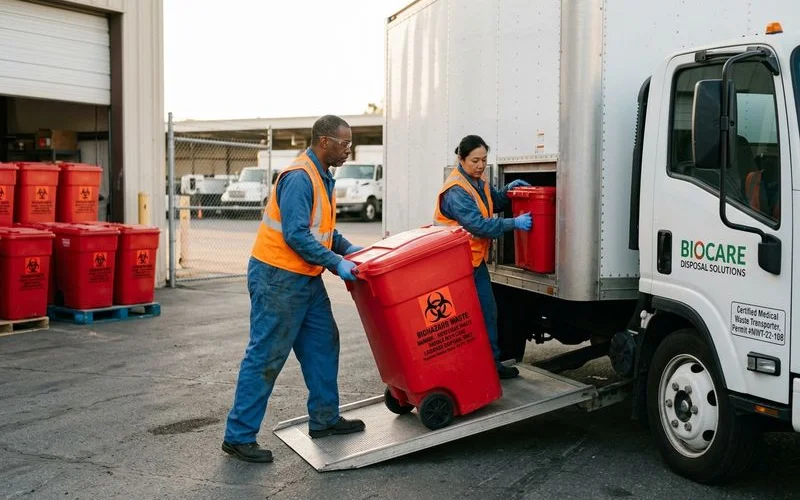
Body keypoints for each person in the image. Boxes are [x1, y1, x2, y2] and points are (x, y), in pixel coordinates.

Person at [222, 115, 366, 463]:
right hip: (278, 278)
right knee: (266, 355)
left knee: (323, 343)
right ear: (324, 141)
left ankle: (325, 419)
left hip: (305, 277)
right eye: (345, 144)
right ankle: (238, 436)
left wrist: (352, 251)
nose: (349, 150)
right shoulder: (301, 178)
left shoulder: (321, 176)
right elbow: (296, 235)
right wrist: (336, 263)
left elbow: (323, 232)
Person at [433, 135, 533, 379]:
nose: (480, 165)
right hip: (456, 264)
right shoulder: (456, 189)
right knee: (461, 320)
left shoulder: (478, 180)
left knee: (487, 313)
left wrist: (508, 192)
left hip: (473, 262)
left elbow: (492, 203)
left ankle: (490, 365)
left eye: (484, 160)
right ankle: (461, 368)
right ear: (461, 159)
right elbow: (478, 224)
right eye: (474, 160)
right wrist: (514, 223)